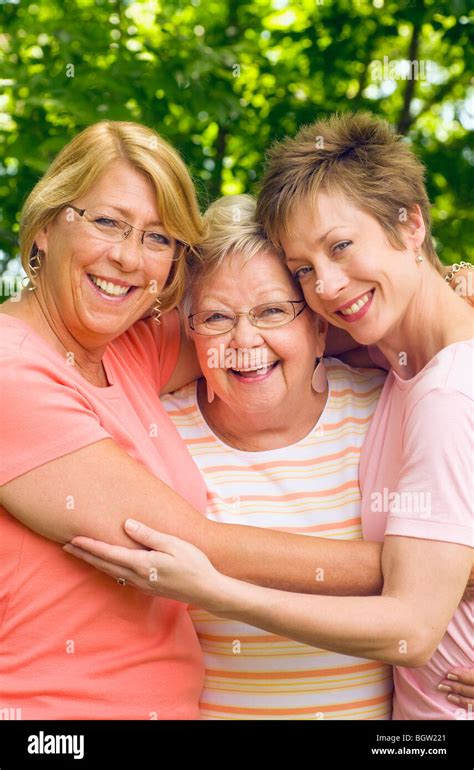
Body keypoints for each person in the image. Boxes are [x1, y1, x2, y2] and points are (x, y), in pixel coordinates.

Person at [63, 114, 473, 720]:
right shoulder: (150, 435)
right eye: (216, 318)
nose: (245, 340)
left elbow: (410, 622)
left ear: (315, 324)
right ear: (188, 328)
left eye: (274, 309)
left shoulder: (404, 393)